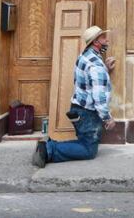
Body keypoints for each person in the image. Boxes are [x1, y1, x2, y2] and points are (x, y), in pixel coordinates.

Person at [32, 25, 116, 167]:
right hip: (88, 113)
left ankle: (49, 145)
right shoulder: (96, 65)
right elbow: (98, 96)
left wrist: (105, 69)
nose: (106, 40)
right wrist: (107, 118)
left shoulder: (84, 56)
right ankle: (47, 149)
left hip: (78, 109)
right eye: (103, 38)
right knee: (88, 150)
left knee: (84, 143)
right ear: (96, 42)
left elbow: (88, 80)